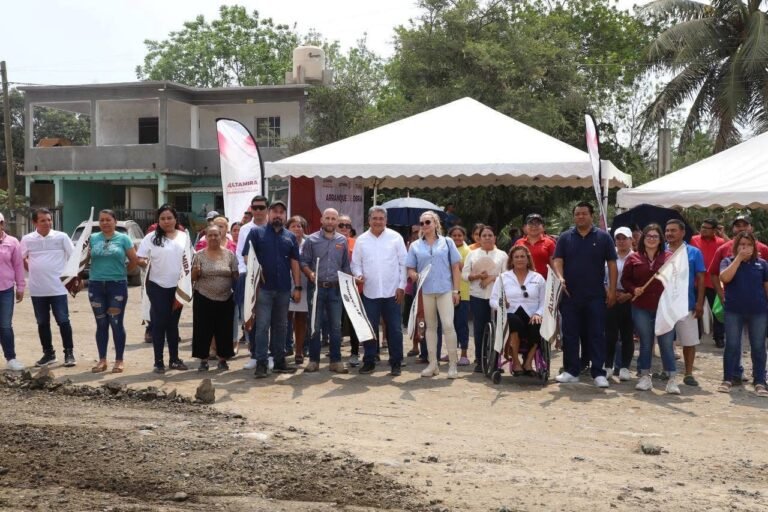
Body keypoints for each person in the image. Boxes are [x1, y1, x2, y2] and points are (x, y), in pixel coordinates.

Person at [553, 202, 617, 388]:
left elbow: (612, 264)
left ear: (591, 215)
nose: (580, 216)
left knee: (597, 334)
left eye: (584, 213)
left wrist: (612, 290)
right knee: (570, 334)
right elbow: (558, 260)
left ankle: (598, 372)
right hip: (570, 296)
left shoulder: (604, 237)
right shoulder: (565, 237)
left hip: (595, 295)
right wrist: (560, 277)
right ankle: (571, 371)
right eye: (577, 214)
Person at [242, 200, 302, 378]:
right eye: (274, 211)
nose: (278, 215)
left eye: (281, 212)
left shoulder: (290, 237)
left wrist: (297, 286)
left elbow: (295, 263)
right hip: (263, 290)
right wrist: (256, 274)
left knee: (281, 326)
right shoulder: (256, 233)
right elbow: (246, 256)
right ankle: (261, 363)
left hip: (283, 289)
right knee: (261, 327)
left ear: (285, 215)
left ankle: (279, 362)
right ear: (269, 213)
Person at [621, 224, 679, 394]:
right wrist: (633, 289)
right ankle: (645, 376)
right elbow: (625, 280)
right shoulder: (633, 259)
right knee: (646, 342)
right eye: (648, 236)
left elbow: (677, 282)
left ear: (661, 239)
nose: (652, 239)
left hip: (665, 308)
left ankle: (672, 379)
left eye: (655, 236)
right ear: (643, 239)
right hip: (641, 306)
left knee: (666, 344)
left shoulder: (670, 258)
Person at [351, 206, 408, 376]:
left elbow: (403, 263)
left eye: (381, 218)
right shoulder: (361, 240)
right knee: (369, 328)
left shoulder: (395, 238)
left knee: (395, 330)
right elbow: (355, 264)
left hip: (393, 293)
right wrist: (358, 275)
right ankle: (369, 361)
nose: (377, 221)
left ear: (386, 220)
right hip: (370, 292)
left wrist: (402, 286)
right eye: (374, 218)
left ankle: (396, 362)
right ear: (369, 220)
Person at [406, 211, 462, 378]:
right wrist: (413, 274)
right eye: (421, 223)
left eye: (427, 222)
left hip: (445, 289)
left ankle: (453, 365)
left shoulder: (448, 242)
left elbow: (455, 267)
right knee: (430, 327)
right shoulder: (415, 245)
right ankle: (433, 364)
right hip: (425, 290)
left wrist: (456, 291)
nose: (424, 226)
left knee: (448, 325)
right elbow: (410, 267)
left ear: (436, 223)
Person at [20, 208, 77, 368]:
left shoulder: (61, 237)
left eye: (49, 220)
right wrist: (31, 268)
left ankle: (69, 353)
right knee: (42, 323)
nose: (47, 223)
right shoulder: (27, 239)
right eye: (43, 220)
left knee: (63, 321)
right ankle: (48, 354)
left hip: (58, 289)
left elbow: (74, 257)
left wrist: (73, 280)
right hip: (38, 290)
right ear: (34, 223)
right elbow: (20, 258)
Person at [137, 204, 189, 374]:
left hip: (178, 288)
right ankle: (158, 361)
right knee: (159, 323)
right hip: (157, 286)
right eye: (163, 218)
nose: (166, 221)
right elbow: (140, 258)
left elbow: (189, 259)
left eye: (169, 218)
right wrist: (145, 263)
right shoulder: (151, 238)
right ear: (158, 221)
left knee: (173, 325)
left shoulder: (184, 236)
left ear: (175, 219)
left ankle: (174, 359)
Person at [87, 209, 139, 373]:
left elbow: (134, 260)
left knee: (116, 323)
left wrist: (123, 273)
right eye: (101, 220)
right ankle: (102, 360)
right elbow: (83, 260)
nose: (104, 223)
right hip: (96, 285)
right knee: (101, 323)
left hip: (116, 285)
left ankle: (119, 360)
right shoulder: (93, 238)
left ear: (115, 221)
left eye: (108, 220)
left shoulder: (123, 238)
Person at [717, 232, 768, 396]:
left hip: (758, 311)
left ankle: (760, 380)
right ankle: (728, 378)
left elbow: (766, 288)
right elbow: (724, 278)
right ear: (736, 246)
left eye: (748, 244)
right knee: (732, 345)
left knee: (759, 346)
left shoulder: (762, 264)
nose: (745, 247)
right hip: (734, 311)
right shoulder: (728, 261)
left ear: (754, 247)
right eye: (742, 244)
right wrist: (738, 259)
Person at [301, 208, 351, 374]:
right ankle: (314, 360)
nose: (330, 221)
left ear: (337, 222)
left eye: (333, 219)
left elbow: (345, 265)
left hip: (335, 290)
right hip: (316, 289)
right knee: (315, 325)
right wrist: (310, 273)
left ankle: (335, 361)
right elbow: (304, 262)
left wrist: (349, 281)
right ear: (322, 220)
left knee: (336, 327)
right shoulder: (311, 240)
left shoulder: (342, 240)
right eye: (327, 218)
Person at [489, 246, 545, 375]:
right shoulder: (503, 278)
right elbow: (493, 300)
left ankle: (528, 362)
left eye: (522, 256)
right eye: (516, 257)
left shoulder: (538, 278)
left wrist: (538, 313)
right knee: (513, 321)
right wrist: (501, 305)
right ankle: (516, 362)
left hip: (532, 314)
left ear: (528, 259)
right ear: (511, 260)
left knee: (539, 324)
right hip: (510, 313)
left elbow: (544, 302)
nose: (519, 259)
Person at [191, 225, 238, 371]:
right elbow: (192, 278)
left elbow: (235, 275)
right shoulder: (199, 255)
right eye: (210, 235)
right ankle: (203, 360)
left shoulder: (230, 254)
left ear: (221, 236)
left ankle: (223, 360)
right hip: (203, 297)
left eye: (216, 235)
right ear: (205, 237)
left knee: (224, 329)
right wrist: (196, 272)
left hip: (225, 298)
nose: (213, 238)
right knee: (203, 329)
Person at [665, 219, 706, 387]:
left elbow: (701, 278)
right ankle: (667, 370)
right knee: (665, 340)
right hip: (665, 304)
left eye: (673, 230)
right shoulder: (661, 251)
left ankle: (688, 373)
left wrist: (700, 302)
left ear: (682, 232)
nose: (669, 233)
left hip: (687, 304)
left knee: (689, 341)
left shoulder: (694, 252)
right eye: (667, 230)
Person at [462, 226, 508, 373]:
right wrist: (477, 276)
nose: (487, 238)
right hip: (477, 296)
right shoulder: (472, 254)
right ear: (479, 238)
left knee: (498, 327)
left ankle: (496, 361)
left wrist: (491, 278)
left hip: (496, 296)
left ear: (495, 238)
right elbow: (464, 274)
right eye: (484, 235)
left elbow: (507, 276)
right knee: (479, 328)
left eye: (490, 235)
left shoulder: (502, 255)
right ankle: (480, 360)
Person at [236, 195, 269, 368]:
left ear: (266, 209)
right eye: (254, 208)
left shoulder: (273, 227)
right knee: (252, 317)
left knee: (270, 319)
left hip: (271, 280)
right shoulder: (245, 229)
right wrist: (246, 273)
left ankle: (269, 354)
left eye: (261, 208)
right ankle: (255, 355)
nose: (257, 211)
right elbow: (240, 254)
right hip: (250, 279)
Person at [690, 218, 726, 347]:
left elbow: (732, 248)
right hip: (696, 281)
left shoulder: (721, 242)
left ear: (714, 230)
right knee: (695, 310)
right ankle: (695, 337)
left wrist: (723, 234)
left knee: (717, 311)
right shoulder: (693, 239)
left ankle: (719, 337)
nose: (703, 230)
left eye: (706, 228)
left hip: (714, 282)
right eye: (702, 227)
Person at [604, 227, 634, 381]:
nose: (621, 241)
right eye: (618, 238)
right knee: (610, 334)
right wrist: (610, 292)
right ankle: (608, 365)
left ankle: (624, 367)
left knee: (627, 334)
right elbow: (602, 277)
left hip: (629, 298)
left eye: (625, 238)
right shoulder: (609, 256)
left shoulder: (636, 257)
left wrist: (628, 294)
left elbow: (639, 281)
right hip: (610, 297)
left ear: (631, 240)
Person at [0, 213, 26, 371]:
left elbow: (18, 266)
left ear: (2, 223)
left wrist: (21, 286)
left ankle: (11, 358)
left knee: (5, 325)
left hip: (6, 290)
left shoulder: (12, 242)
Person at [337, 214, 361, 365]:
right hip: (334, 287)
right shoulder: (329, 242)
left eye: (348, 226)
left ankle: (354, 353)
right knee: (335, 322)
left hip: (352, 288)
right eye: (342, 225)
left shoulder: (356, 243)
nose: (345, 228)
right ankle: (335, 353)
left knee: (354, 321)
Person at [447, 225, 471, 365]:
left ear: (464, 237)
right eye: (454, 235)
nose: (457, 238)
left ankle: (464, 353)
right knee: (449, 324)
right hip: (447, 292)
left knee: (462, 324)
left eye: (459, 235)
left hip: (463, 292)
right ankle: (451, 353)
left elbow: (464, 268)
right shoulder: (447, 249)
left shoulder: (467, 251)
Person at [286, 215, 309, 365]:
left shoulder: (309, 244)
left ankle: (299, 351)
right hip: (284, 285)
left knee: (301, 319)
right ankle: (283, 347)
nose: (297, 228)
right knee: (284, 319)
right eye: (293, 226)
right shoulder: (282, 241)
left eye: (299, 226)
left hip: (304, 285)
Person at [514, 214, 556, 278]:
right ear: (525, 227)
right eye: (530, 224)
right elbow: (513, 264)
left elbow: (554, 265)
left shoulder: (550, 243)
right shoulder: (518, 243)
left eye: (537, 224)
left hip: (544, 283)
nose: (534, 227)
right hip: (522, 282)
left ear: (543, 227)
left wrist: (559, 280)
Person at [403, 224, 421, 358]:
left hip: (427, 288)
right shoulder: (408, 246)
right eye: (414, 231)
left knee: (423, 318)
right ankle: (415, 346)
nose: (416, 233)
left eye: (418, 231)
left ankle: (425, 348)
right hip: (410, 289)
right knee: (413, 318)